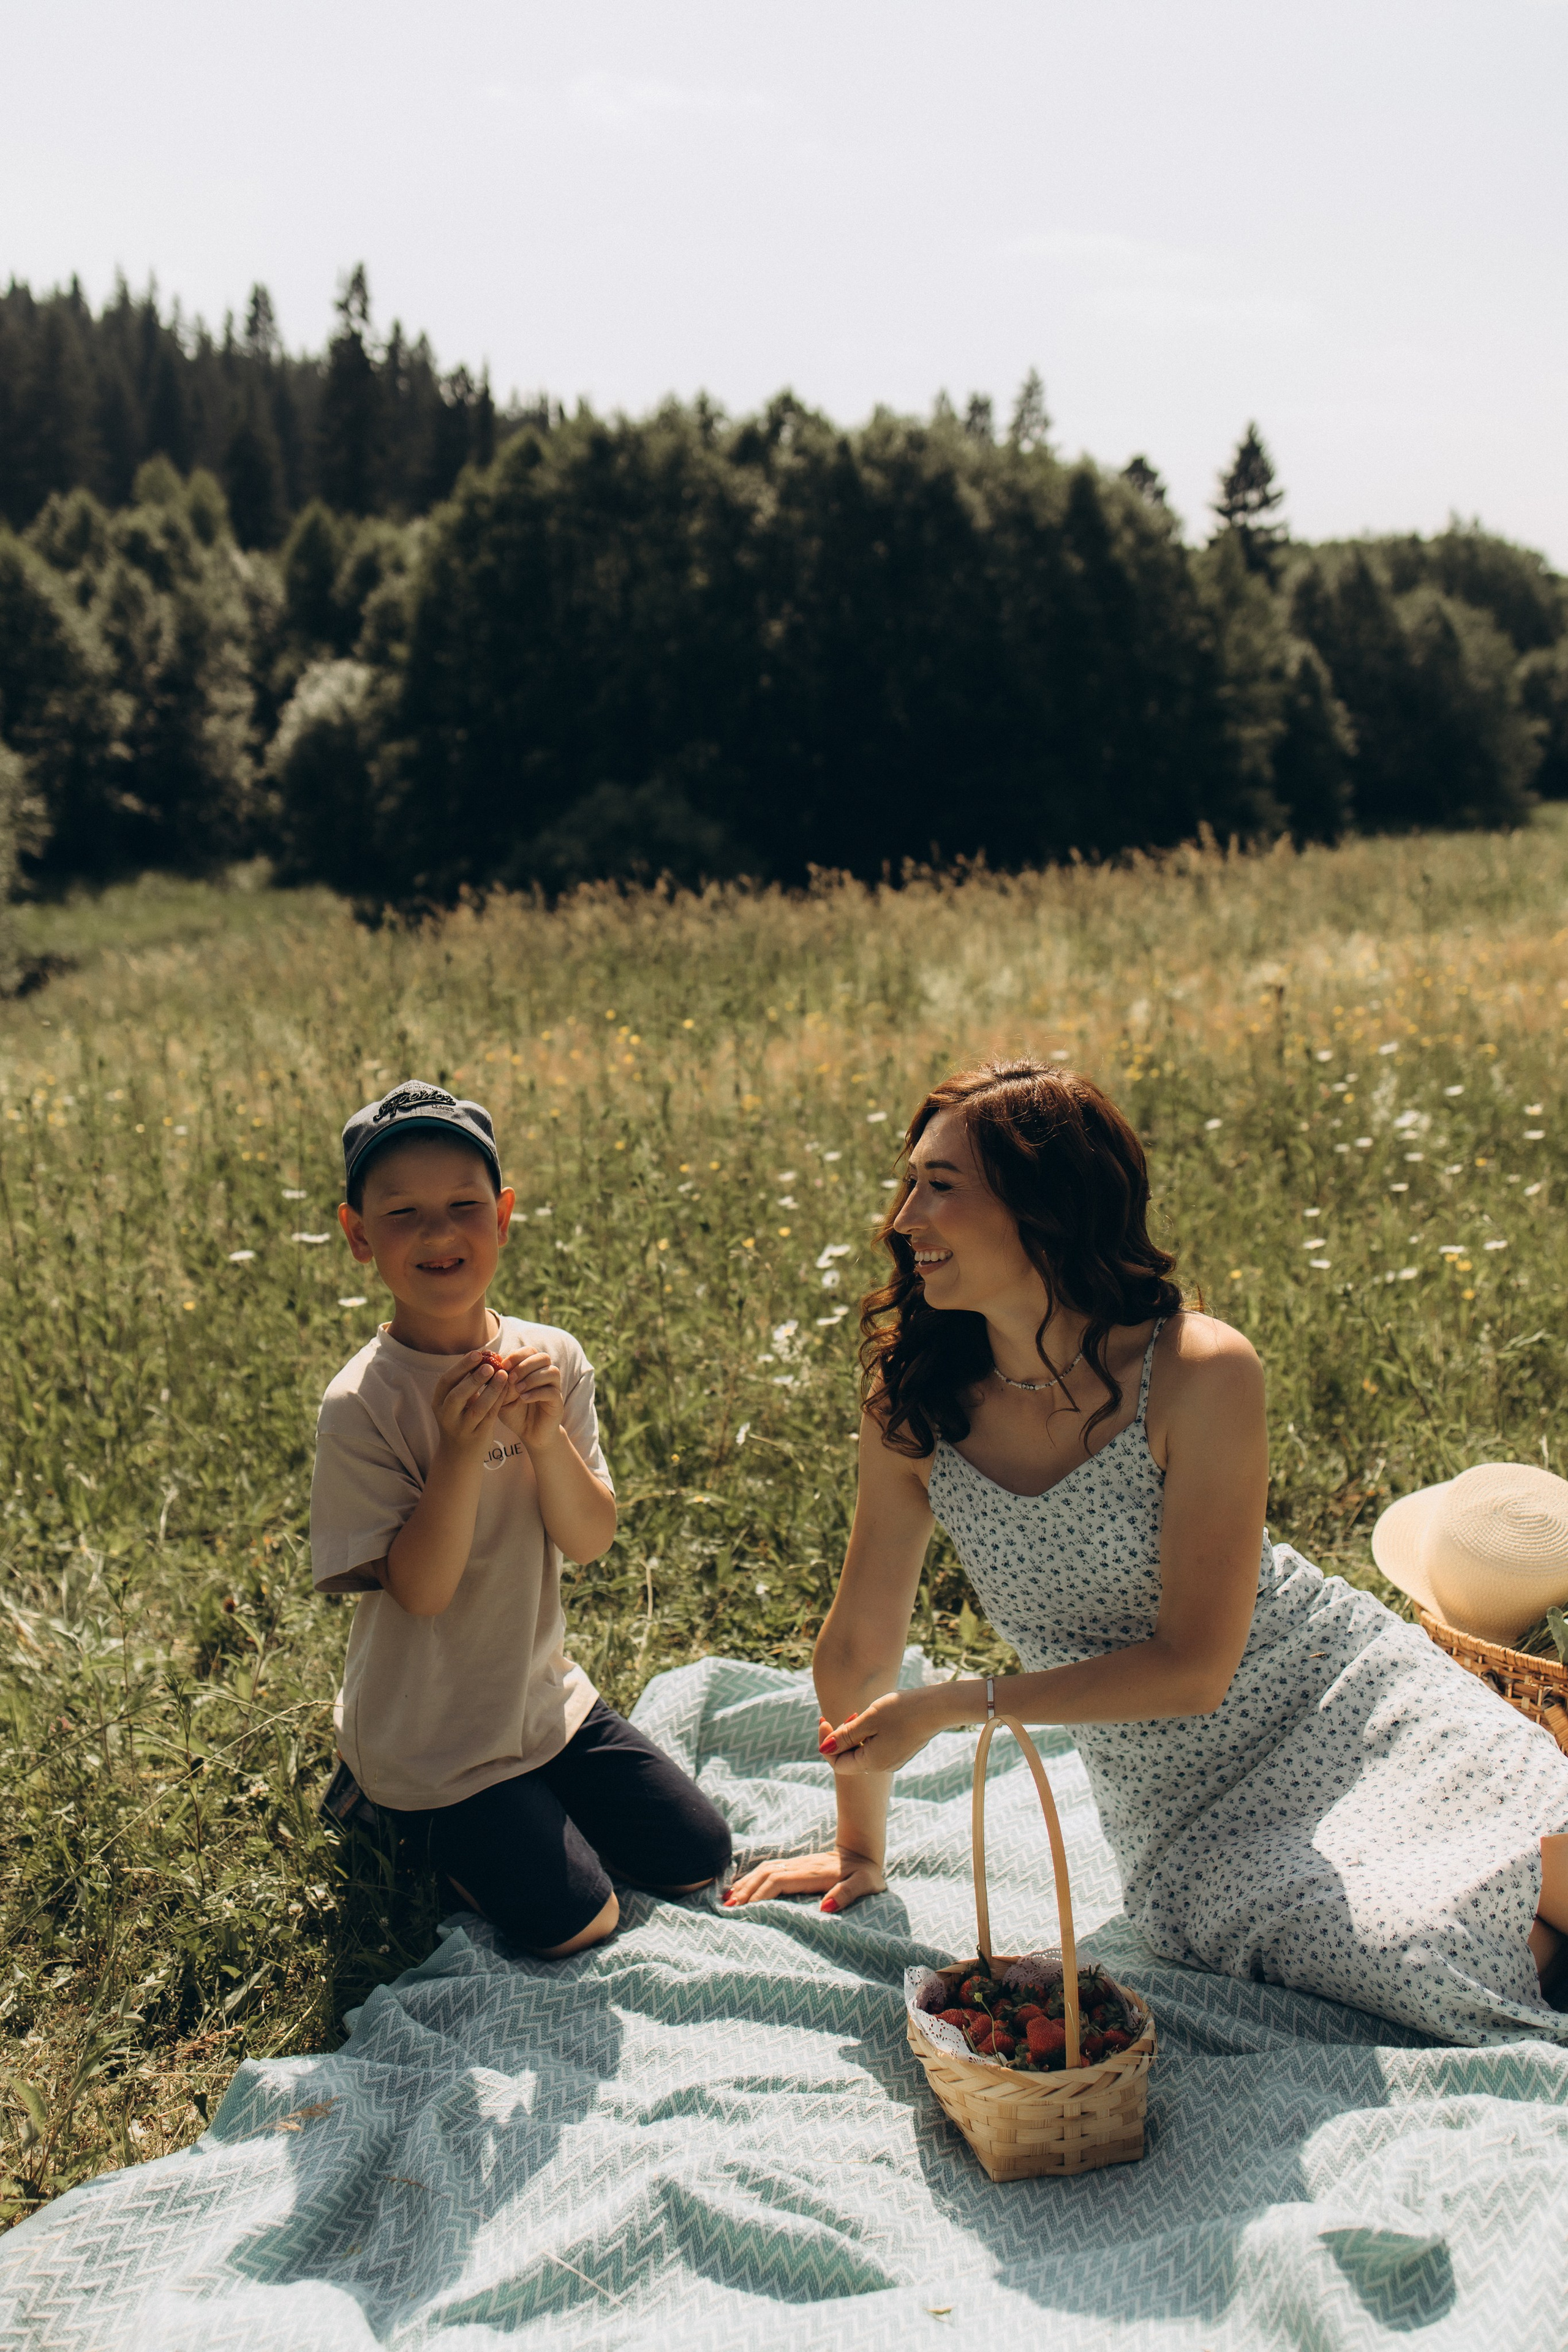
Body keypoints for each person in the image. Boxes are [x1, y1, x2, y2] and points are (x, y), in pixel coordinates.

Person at [725, 1058, 1568, 2044]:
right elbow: (859, 1645)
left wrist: (962, 1709)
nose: (903, 1217)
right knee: (1409, 1953)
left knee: (1538, 1854)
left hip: (1343, 1702)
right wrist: (858, 1846)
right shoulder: (915, 1405)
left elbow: (1196, 1666)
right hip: (1184, 1809)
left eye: (939, 1187)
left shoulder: (1198, 1369)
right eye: (908, 1183)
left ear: (1044, 1207)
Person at [311, 1078, 731, 1957]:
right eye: (402, 1213)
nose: (437, 1232)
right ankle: (381, 1803)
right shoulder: (363, 1404)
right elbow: (420, 1594)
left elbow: (589, 1540)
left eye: (464, 1204)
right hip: (433, 1739)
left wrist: (544, 1441)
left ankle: (536, 1803)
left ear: (502, 1217)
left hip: (542, 1704)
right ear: (358, 1236)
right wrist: (460, 1452)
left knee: (698, 1857)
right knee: (581, 1922)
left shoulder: (554, 1358)